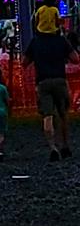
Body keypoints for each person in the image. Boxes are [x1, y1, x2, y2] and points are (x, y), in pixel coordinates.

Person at [23, 30, 79, 160]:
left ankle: (53, 147)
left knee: (47, 116)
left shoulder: (35, 42)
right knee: (63, 114)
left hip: (43, 82)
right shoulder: (61, 40)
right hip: (60, 80)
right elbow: (75, 58)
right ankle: (65, 145)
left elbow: (25, 62)